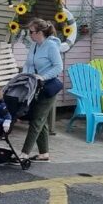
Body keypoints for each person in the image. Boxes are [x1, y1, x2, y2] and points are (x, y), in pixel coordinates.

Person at [20, 18, 64, 162]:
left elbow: (58, 67)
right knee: (40, 119)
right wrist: (25, 76)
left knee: (36, 120)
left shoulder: (51, 46)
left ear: (40, 33)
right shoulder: (34, 45)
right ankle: (44, 154)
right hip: (35, 86)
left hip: (48, 87)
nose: (29, 34)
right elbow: (28, 64)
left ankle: (24, 153)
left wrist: (43, 77)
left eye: (31, 32)